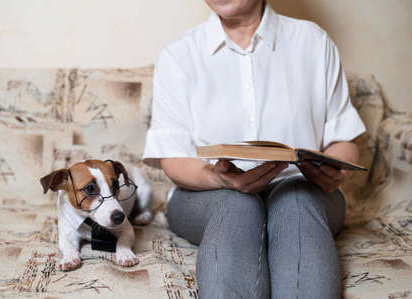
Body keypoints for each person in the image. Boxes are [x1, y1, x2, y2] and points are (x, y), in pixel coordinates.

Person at [142, 0, 366, 298]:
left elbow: (344, 140)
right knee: (237, 205)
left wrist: (333, 169)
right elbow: (173, 157)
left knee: (295, 201)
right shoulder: (179, 54)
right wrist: (221, 179)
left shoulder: (312, 41)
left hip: (302, 189)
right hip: (206, 193)